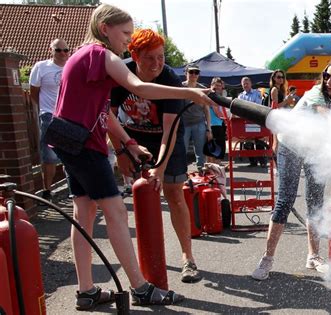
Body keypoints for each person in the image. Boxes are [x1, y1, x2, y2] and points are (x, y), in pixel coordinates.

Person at [50, 4, 214, 310]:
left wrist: (128, 142)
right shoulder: (101, 55)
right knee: (116, 212)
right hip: (85, 143)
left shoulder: (85, 57)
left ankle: (85, 291)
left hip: (67, 138)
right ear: (104, 29)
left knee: (83, 213)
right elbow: (140, 88)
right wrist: (190, 93)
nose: (128, 39)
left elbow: (102, 110)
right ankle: (140, 288)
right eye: (125, 33)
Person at [251, 58, 331, 281]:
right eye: (326, 75)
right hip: (291, 145)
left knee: (315, 202)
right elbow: (330, 120)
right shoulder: (316, 94)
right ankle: (267, 259)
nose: (328, 81)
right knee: (285, 200)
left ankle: (313, 256)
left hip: (316, 149)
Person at [110, 29, 202, 284]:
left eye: (161, 57)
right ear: (134, 55)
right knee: (142, 195)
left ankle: (188, 258)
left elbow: (170, 130)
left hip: (166, 137)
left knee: (174, 193)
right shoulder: (120, 74)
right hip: (133, 140)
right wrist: (121, 152)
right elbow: (107, 116)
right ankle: (145, 261)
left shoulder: (170, 79)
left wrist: (160, 167)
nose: (157, 63)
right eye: (150, 58)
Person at [29, 38, 70, 200]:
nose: (62, 53)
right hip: (49, 115)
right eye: (58, 50)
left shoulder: (71, 66)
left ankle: (74, 188)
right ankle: (47, 190)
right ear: (50, 50)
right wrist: (45, 109)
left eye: (66, 50)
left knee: (71, 153)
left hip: (69, 116)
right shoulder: (41, 67)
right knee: (50, 155)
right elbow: (34, 92)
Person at [182, 64, 212, 170]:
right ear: (186, 73)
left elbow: (207, 110)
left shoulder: (202, 89)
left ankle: (201, 172)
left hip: (199, 122)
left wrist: (209, 128)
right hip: (184, 123)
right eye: (191, 72)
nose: (194, 74)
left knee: (200, 151)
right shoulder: (181, 87)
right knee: (182, 150)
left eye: (196, 72)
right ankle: (182, 173)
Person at [237, 77, 267, 167]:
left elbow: (257, 106)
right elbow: (239, 108)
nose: (246, 85)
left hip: (257, 121)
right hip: (245, 122)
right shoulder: (240, 96)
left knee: (259, 142)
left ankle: (262, 162)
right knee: (247, 143)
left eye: (247, 83)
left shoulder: (257, 93)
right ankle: (253, 162)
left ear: (251, 84)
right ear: (242, 85)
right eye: (244, 83)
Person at [206, 77, 227, 165]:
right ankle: (215, 166)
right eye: (216, 85)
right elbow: (217, 111)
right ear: (212, 85)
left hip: (217, 123)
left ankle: (214, 166)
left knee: (215, 146)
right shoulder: (212, 95)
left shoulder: (217, 95)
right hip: (214, 124)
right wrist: (225, 118)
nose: (218, 87)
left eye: (220, 85)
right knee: (218, 145)